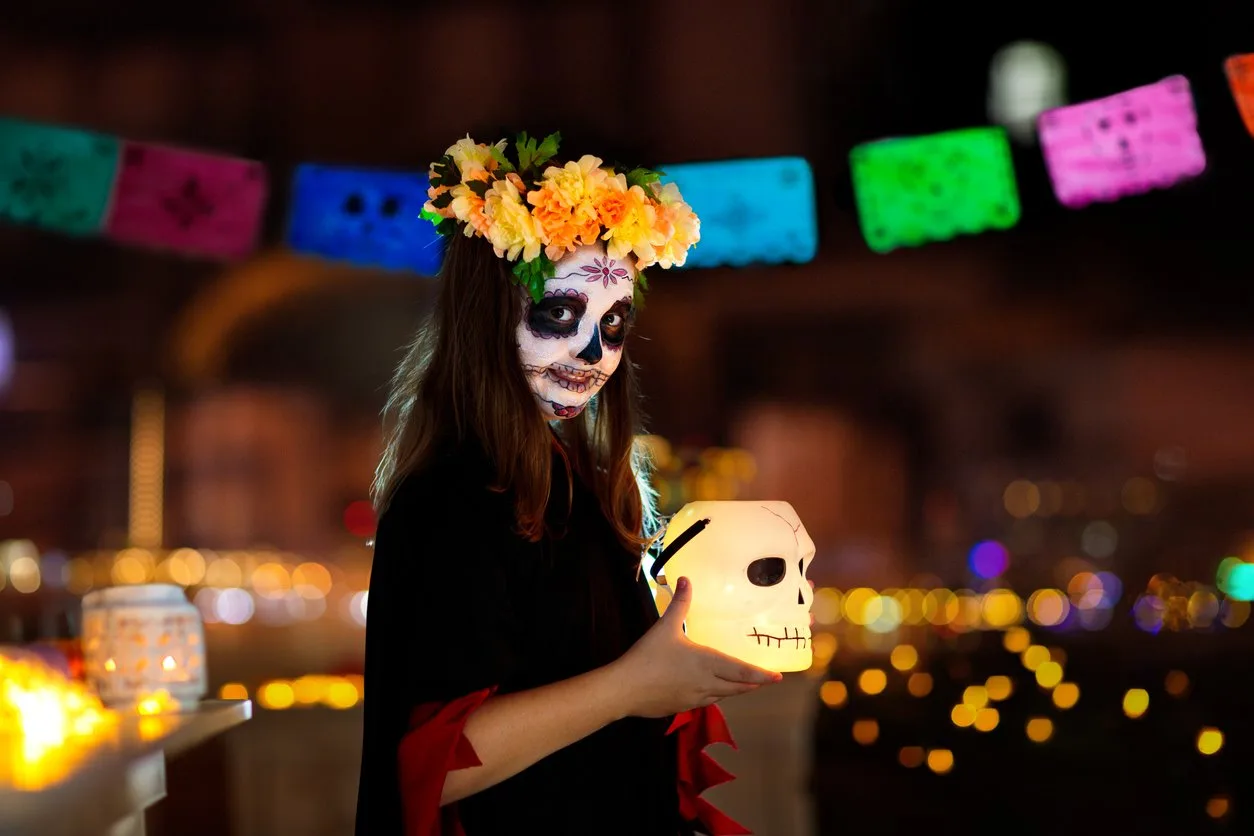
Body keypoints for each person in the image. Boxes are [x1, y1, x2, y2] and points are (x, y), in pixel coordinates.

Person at [354, 133, 781, 835]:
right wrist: (632, 686)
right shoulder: (452, 497)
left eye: (613, 324)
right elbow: (438, 764)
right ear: (486, 316)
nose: (593, 353)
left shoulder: (574, 482)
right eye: (559, 314)